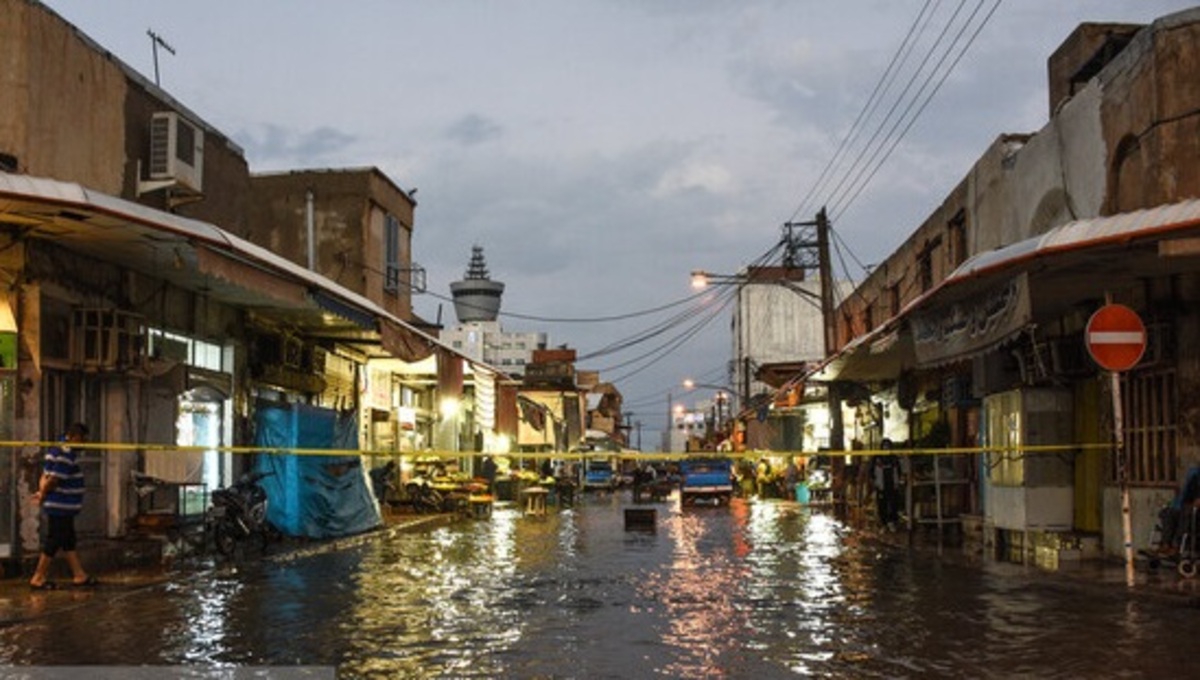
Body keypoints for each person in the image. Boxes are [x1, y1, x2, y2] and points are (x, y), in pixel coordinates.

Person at [29, 422, 97, 590]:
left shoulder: (56, 449)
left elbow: (45, 476)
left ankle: (79, 574)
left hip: (61, 504)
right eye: (83, 440)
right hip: (61, 505)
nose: (85, 444)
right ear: (75, 437)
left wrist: (41, 492)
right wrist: (43, 494)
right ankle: (38, 577)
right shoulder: (66, 454)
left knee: (68, 539)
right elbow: (53, 479)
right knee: (54, 539)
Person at [873, 439, 902, 531]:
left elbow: (899, 470)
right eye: (884, 446)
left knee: (894, 504)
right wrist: (874, 482)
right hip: (881, 485)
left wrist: (898, 481)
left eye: (888, 446)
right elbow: (872, 471)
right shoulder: (877, 458)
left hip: (893, 485)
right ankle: (884, 524)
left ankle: (892, 522)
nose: (886, 448)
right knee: (882, 505)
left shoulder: (894, 458)